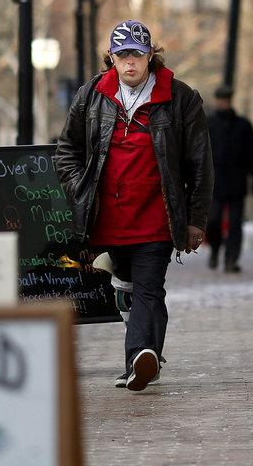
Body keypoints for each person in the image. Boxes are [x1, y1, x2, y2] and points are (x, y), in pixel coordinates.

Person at [56, 20, 214, 392]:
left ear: (150, 56)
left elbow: (200, 164)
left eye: (137, 55)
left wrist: (195, 219)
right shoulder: (91, 94)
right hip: (107, 217)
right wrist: (81, 188)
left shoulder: (180, 97)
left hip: (157, 216)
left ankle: (141, 357)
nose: (130, 63)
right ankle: (143, 359)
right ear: (111, 57)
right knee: (125, 285)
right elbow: (67, 151)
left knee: (148, 287)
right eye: (122, 55)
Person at [205, 84, 253, 273]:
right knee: (213, 220)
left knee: (236, 223)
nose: (223, 103)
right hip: (215, 181)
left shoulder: (243, 125)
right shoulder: (209, 123)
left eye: (226, 99)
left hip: (237, 181)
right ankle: (214, 249)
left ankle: (231, 259)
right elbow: (200, 153)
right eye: (221, 99)